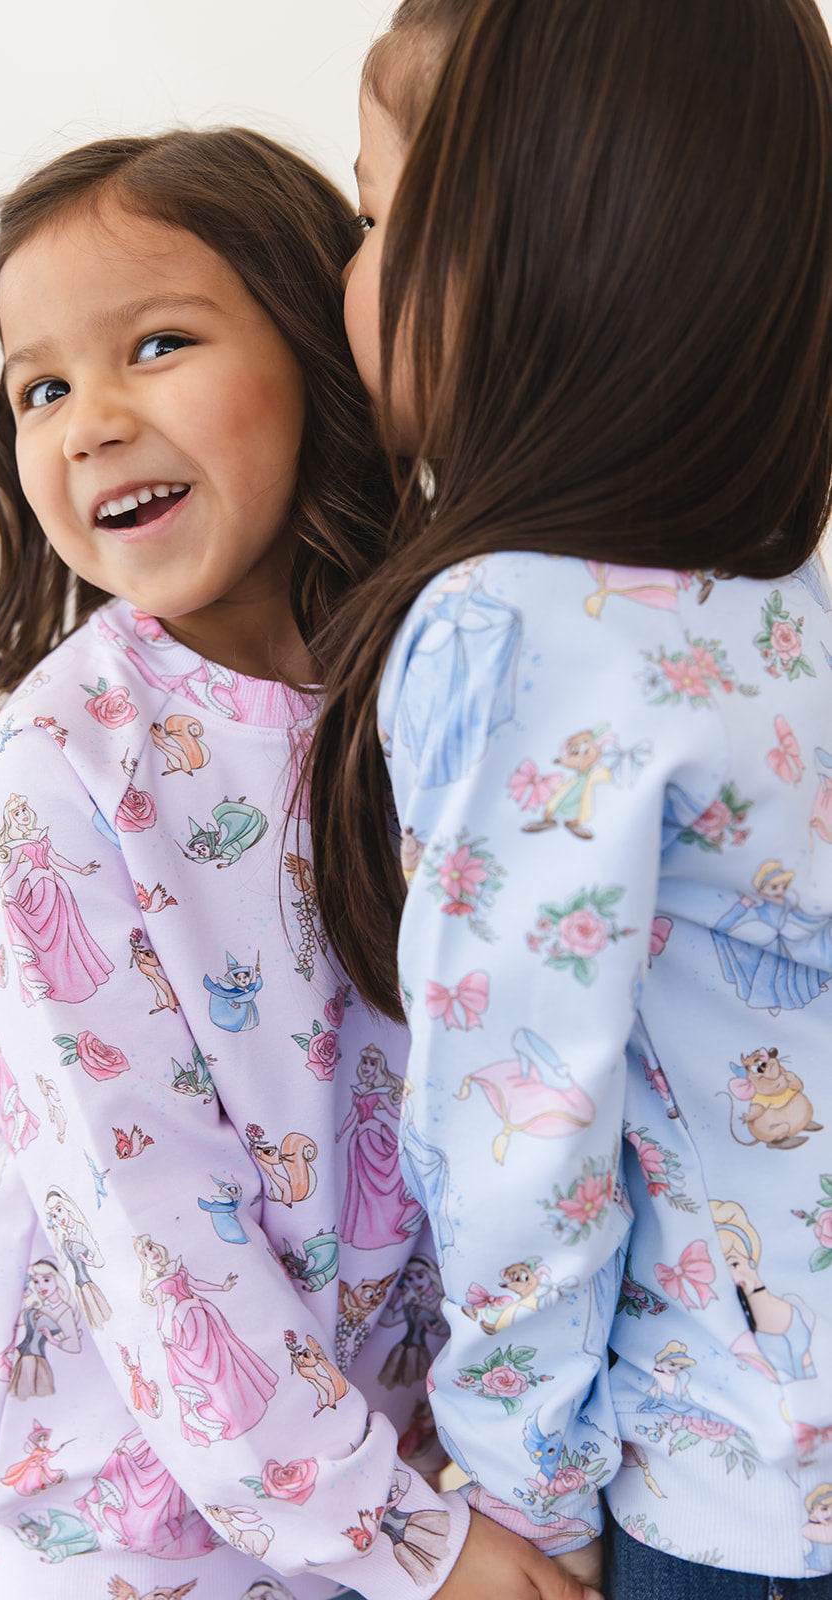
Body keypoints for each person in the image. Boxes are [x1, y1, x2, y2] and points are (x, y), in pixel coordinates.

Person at [0, 129, 594, 1600]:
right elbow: (154, 1238)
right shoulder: (59, 785)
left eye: (157, 345)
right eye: (42, 389)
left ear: (321, 351)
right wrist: (409, 1541)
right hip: (150, 1532)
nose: (90, 424)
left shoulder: (442, 679)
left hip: (399, 1459)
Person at [306, 1, 832, 1596]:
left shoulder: (515, 629)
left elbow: (523, 1123)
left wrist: (521, 1495)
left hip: (730, 1477)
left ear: (522, 255)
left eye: (374, 217)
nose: (347, 271)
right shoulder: (779, 602)